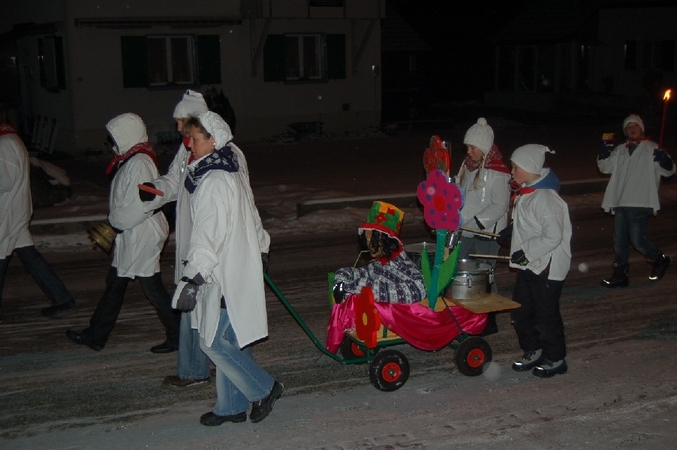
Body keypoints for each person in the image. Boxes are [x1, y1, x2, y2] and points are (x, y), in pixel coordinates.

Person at [139, 90, 270, 387]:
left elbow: (246, 204)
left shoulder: (227, 160)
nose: (179, 128)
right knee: (196, 310)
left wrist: (260, 245)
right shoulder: (190, 151)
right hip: (198, 241)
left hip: (218, 247)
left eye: (183, 122)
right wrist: (156, 191)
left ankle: (240, 377)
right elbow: (176, 181)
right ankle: (196, 369)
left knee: (227, 316)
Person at [172, 111, 281, 426]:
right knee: (232, 339)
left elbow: (207, 235)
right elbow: (252, 213)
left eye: (195, 139)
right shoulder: (228, 169)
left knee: (212, 341)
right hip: (234, 267)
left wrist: (193, 277)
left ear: (213, 140)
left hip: (222, 273)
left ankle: (265, 388)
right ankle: (231, 406)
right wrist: (261, 247)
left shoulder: (214, 180)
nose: (189, 144)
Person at [66, 113, 179, 352]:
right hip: (133, 232)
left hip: (141, 233)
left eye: (115, 137)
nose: (111, 142)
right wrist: (116, 224)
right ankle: (95, 335)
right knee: (116, 284)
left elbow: (141, 205)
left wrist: (114, 224)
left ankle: (178, 335)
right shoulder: (133, 159)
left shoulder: (139, 163)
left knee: (151, 288)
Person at [0, 105, 76, 322]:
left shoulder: (4, 144)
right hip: (16, 210)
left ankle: (62, 298)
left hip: (7, 212)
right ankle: (61, 298)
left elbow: (6, 181)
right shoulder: (11, 139)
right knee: (31, 257)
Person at [505, 144, 571, 378]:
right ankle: (532, 349)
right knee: (521, 310)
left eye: (516, 167)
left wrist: (527, 252)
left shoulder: (545, 197)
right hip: (530, 264)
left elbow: (553, 235)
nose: (512, 171)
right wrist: (510, 232)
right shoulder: (527, 192)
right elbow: (529, 224)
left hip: (546, 267)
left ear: (530, 168)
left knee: (545, 314)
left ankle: (555, 357)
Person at [326, 201, 427, 353]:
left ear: (387, 240)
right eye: (367, 240)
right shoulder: (380, 264)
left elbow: (418, 290)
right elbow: (359, 273)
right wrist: (341, 280)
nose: (369, 245)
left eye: (373, 240)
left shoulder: (402, 266)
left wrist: (357, 287)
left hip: (402, 321)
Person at [597, 114, 675, 288]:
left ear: (642, 128)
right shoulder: (620, 150)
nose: (632, 129)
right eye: (628, 127)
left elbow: (668, 171)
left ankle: (659, 259)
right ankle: (620, 274)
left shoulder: (652, 148)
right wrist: (603, 155)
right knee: (619, 241)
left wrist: (665, 162)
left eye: (635, 126)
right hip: (620, 201)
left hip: (641, 201)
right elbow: (606, 167)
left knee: (637, 239)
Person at [455, 118, 511, 334]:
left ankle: (489, 317)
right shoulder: (468, 166)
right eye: (467, 147)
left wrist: (477, 222)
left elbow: (500, 205)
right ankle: (469, 312)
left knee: (485, 273)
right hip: (466, 228)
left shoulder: (498, 172)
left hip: (487, 231)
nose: (469, 152)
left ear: (485, 148)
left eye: (473, 147)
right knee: (461, 268)